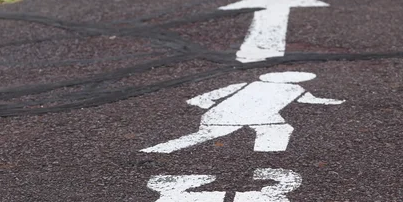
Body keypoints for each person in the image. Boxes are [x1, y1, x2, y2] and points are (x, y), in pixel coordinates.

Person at [141, 71, 344, 153]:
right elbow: (206, 97)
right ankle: (268, 157)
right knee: (208, 135)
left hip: (248, 115)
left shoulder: (294, 88)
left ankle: (268, 157)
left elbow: (205, 97)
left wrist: (205, 104)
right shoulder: (293, 88)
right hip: (230, 115)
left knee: (279, 130)